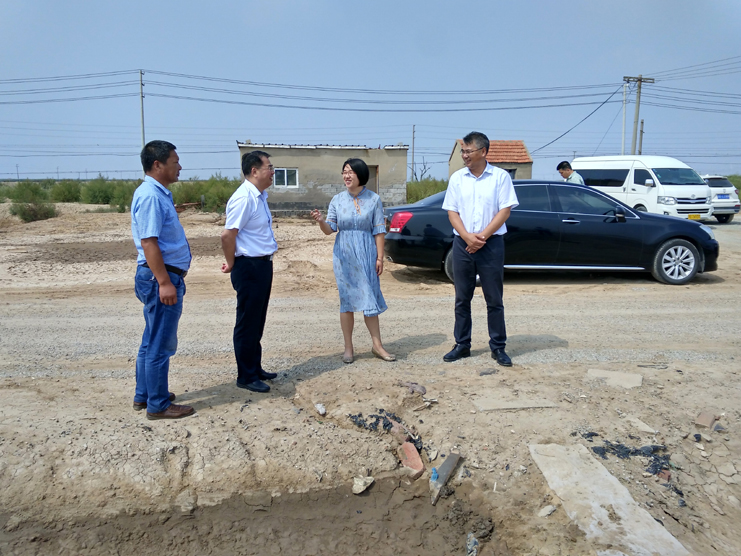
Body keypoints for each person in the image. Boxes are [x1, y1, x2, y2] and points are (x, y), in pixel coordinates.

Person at [442, 132, 519, 367]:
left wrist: (482, 236)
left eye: (468, 151)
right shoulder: (457, 178)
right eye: (463, 151)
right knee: (462, 298)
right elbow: (452, 212)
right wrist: (467, 237)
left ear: (483, 152)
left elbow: (505, 211)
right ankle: (462, 344)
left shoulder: (500, 177)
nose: (464, 155)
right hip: (462, 244)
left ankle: (498, 346)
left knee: (494, 298)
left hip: (491, 244)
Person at [131, 140, 195, 420]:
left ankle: (145, 394)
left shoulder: (158, 193)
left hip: (161, 275)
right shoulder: (150, 196)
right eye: (175, 162)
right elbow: (149, 242)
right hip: (161, 277)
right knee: (160, 344)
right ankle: (157, 404)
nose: (179, 166)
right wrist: (165, 282)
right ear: (157, 164)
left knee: (151, 338)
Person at [310, 158, 395, 364]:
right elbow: (330, 229)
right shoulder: (337, 200)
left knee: (369, 298)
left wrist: (380, 258)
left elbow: (379, 230)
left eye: (351, 172)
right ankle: (348, 347)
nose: (346, 176)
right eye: (344, 172)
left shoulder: (374, 199)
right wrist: (321, 221)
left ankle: (377, 345)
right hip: (344, 255)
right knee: (347, 301)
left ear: (360, 175)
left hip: (367, 253)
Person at [220, 151, 279, 393]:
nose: (273, 172)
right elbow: (227, 235)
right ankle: (245, 375)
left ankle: (255, 367)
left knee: (257, 320)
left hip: (262, 264)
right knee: (247, 322)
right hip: (249, 266)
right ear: (254, 171)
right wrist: (231, 263)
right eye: (269, 167)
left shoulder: (259, 196)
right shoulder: (244, 198)